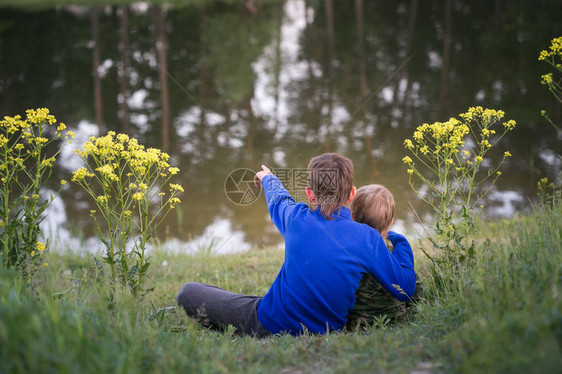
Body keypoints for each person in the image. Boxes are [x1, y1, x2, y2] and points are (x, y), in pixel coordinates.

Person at [176, 153, 416, 336]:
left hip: (271, 322)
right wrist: (398, 240)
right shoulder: (369, 238)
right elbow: (404, 287)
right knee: (249, 301)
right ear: (352, 193)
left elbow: (279, 199)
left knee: (188, 292)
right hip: (327, 329)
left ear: (310, 195)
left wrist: (267, 178)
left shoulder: (295, 218)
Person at [346, 184, 421, 329]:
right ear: (391, 221)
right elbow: (414, 287)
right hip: (396, 320)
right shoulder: (395, 250)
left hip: (358, 324)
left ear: (352, 217)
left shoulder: (349, 252)